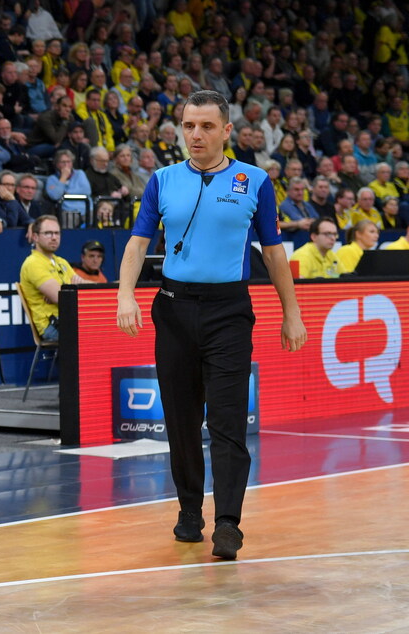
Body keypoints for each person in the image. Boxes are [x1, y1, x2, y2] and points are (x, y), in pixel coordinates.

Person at [116, 90, 306, 561]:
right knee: (180, 422)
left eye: (205, 126)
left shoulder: (255, 180)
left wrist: (292, 311)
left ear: (226, 131)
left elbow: (274, 251)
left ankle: (227, 524)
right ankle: (188, 513)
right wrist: (125, 296)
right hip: (174, 309)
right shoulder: (162, 180)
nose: (195, 135)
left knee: (226, 422)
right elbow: (138, 243)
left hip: (229, 313)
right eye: (188, 126)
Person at [19, 214, 84, 342]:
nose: (54, 237)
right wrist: (74, 290)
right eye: (48, 233)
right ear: (35, 236)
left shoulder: (61, 261)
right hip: (53, 326)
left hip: (70, 319)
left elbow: (86, 287)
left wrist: (75, 289)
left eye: (57, 233)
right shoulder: (33, 263)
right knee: (99, 333)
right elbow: (63, 299)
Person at [45, 148, 91, 228]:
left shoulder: (80, 173)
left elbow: (86, 191)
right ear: (57, 164)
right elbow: (55, 196)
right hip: (68, 211)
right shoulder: (52, 179)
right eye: (63, 162)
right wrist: (63, 178)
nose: (66, 165)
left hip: (86, 209)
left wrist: (66, 193)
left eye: (68, 162)